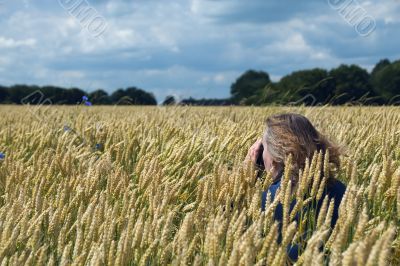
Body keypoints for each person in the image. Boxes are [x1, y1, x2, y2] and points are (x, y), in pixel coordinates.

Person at [246, 113, 346, 262]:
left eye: (264, 148)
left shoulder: (267, 200)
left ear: (274, 157)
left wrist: (245, 178)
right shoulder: (342, 190)